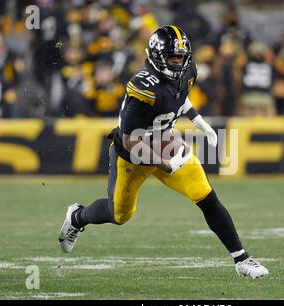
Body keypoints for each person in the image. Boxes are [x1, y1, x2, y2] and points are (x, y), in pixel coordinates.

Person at [58, 25, 269, 279]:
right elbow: (130, 141)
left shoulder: (188, 71)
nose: (178, 62)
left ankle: (241, 260)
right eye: (172, 57)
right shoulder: (143, 88)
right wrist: (165, 164)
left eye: (181, 57)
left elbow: (180, 98)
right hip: (132, 152)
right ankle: (77, 217)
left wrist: (199, 122)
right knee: (119, 215)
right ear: (157, 56)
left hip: (164, 141)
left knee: (205, 196)